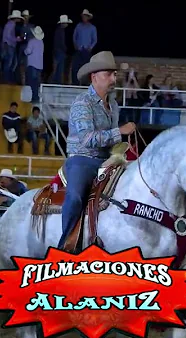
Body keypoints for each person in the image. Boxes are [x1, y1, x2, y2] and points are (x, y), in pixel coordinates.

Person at [58, 51, 135, 251]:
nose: (113, 78)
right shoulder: (82, 103)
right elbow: (87, 139)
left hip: (106, 160)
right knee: (75, 197)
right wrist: (120, 132)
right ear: (94, 77)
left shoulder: (114, 105)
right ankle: (65, 245)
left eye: (114, 75)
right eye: (109, 74)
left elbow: (109, 141)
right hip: (82, 160)